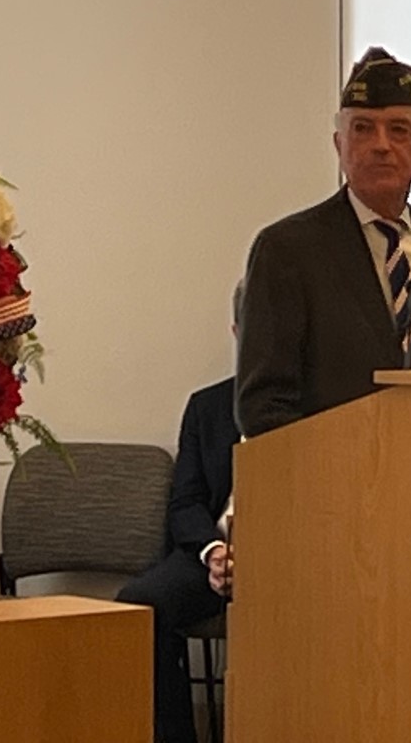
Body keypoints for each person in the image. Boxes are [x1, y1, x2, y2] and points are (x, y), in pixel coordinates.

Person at [236, 46, 411, 437]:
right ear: (339, 144)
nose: (380, 144)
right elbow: (263, 406)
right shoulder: (287, 250)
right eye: (363, 128)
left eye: (399, 129)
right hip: (339, 481)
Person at [117, 282, 243, 743]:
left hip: (288, 560)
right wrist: (214, 552)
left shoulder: (315, 407)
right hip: (212, 554)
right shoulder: (206, 407)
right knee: (140, 604)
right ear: (237, 331)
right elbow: (185, 502)